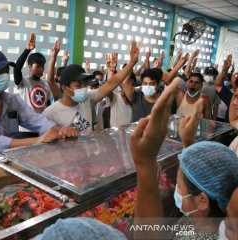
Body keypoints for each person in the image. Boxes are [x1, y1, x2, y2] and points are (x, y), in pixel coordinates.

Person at [131, 77, 238, 239]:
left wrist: (145, 166)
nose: (177, 192)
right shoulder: (201, 222)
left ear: (202, 200)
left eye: (180, 187)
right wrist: (188, 144)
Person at [0, 48, 78, 166]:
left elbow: (36, 120)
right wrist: (37, 140)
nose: (4, 76)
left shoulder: (13, 100)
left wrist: (60, 130)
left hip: (8, 166)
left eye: (6, 71)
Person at [42, 41, 141, 133]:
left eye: (85, 84)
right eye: (78, 85)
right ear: (64, 88)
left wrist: (132, 62)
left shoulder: (88, 98)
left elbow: (111, 83)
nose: (84, 88)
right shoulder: (50, 113)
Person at [126, 53, 189, 122]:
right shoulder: (136, 96)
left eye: (151, 84)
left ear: (158, 84)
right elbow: (125, 83)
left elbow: (177, 91)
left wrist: (179, 65)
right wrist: (131, 61)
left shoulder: (166, 99)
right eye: (145, 83)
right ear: (141, 83)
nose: (148, 86)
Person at [14, 33, 53, 113]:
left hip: (42, 123)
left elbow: (49, 106)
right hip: (26, 125)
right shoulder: (23, 82)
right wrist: (27, 50)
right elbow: (16, 69)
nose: (41, 69)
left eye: (42, 66)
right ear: (30, 67)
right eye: (38, 66)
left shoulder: (45, 84)